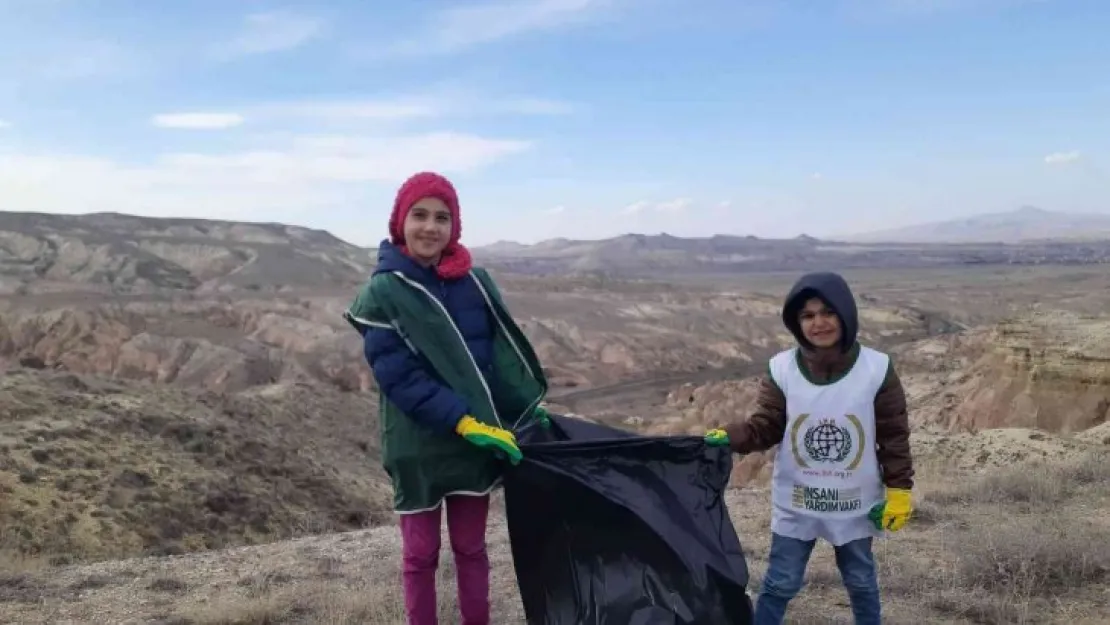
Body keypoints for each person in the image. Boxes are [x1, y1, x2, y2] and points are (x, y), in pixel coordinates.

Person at [344, 171, 550, 625]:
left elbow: (494, 359)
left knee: (471, 550)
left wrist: (527, 408)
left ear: (453, 227)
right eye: (420, 215)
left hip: (475, 443)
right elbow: (399, 378)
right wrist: (462, 421)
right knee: (420, 556)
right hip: (418, 444)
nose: (430, 227)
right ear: (401, 221)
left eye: (442, 217)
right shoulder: (384, 293)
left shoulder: (473, 284)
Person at [705, 271, 914, 625]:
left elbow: (893, 436)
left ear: (845, 314)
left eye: (828, 312)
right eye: (808, 315)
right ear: (796, 322)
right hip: (799, 501)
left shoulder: (876, 369)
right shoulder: (782, 368)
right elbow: (765, 426)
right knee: (780, 583)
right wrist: (729, 436)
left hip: (854, 503)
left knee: (861, 582)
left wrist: (899, 491)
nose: (819, 323)